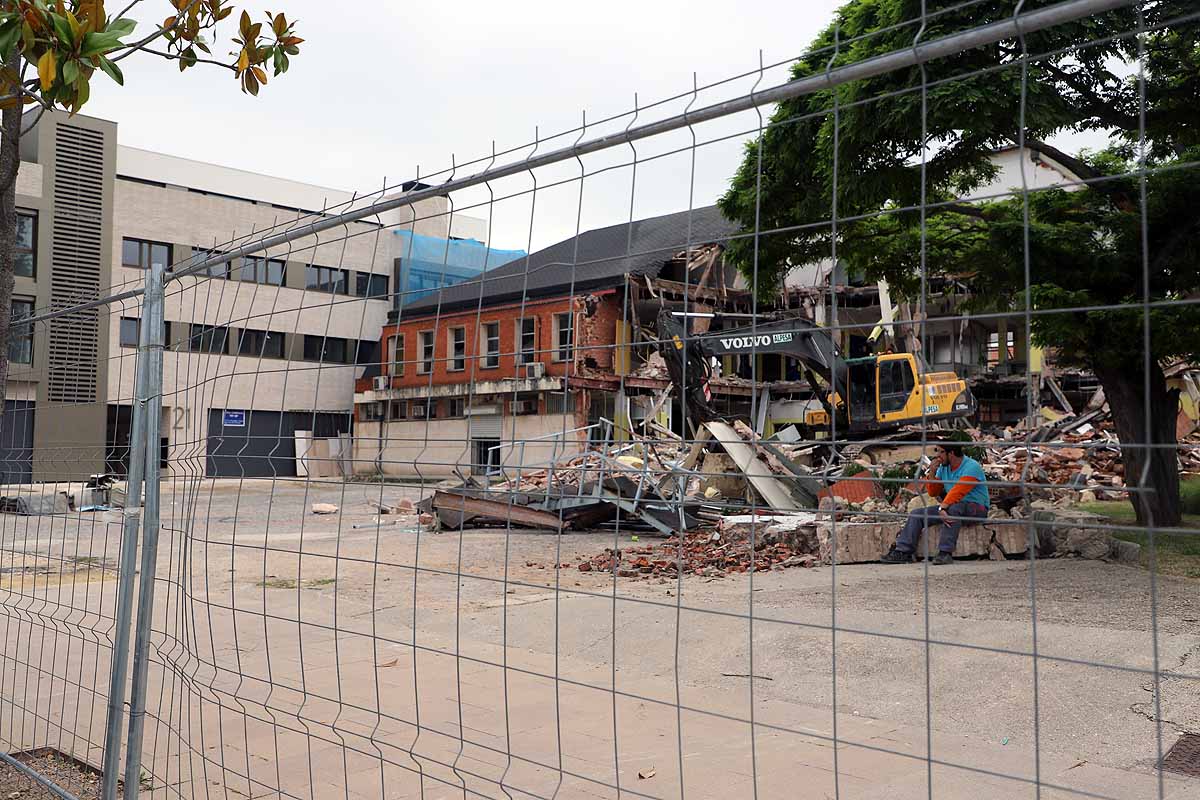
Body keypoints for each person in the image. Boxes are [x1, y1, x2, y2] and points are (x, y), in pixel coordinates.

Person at [881, 442, 990, 565]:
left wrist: (942, 508)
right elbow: (933, 492)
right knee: (917, 514)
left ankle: (945, 553)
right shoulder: (944, 467)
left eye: (941, 452)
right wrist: (932, 472)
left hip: (976, 508)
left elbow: (959, 491)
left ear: (952, 453)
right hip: (950, 506)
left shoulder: (972, 467)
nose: (938, 456)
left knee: (953, 510)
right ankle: (903, 551)